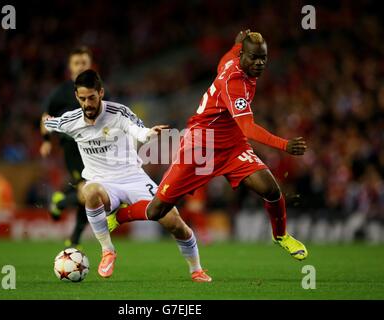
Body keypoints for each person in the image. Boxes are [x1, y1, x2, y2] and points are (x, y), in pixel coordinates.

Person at [108, 30, 309, 261]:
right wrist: (284, 145)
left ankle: (280, 236)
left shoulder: (235, 62)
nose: (259, 63)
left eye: (263, 57)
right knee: (156, 210)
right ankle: (119, 216)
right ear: (243, 56)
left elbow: (222, 62)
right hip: (200, 146)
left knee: (271, 190)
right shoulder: (234, 82)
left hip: (232, 146)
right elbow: (248, 128)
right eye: (254, 57)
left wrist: (235, 46)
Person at [44, 69, 212, 282]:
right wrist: (45, 130)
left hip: (133, 178)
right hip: (102, 183)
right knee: (90, 191)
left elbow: (138, 130)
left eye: (92, 98)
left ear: (101, 93)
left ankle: (196, 269)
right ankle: (108, 250)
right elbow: (49, 122)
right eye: (83, 98)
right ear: (77, 97)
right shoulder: (70, 121)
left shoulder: (118, 113)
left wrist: (149, 133)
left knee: (174, 223)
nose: (88, 103)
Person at [39, 46, 92, 248]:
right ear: (70, 67)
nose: (81, 66)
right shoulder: (61, 92)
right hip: (72, 146)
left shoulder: (98, 90)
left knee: (91, 194)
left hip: (95, 148)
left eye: (84, 63)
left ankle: (74, 237)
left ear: (90, 65)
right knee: (87, 191)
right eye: (77, 63)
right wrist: (45, 140)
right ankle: (60, 204)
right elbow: (46, 116)